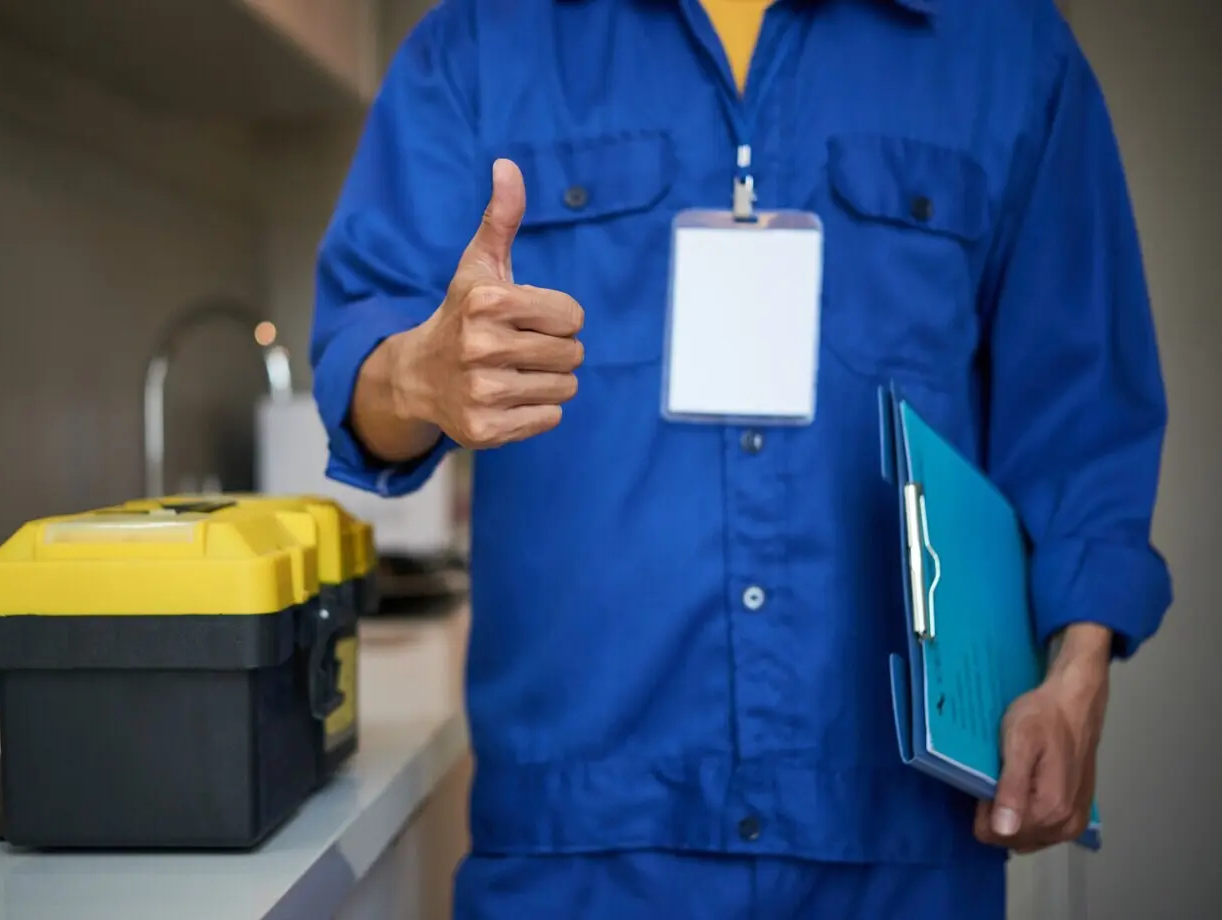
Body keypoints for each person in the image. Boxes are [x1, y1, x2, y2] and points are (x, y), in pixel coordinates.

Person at [308, 0, 1173, 916]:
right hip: (577, 847)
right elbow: (360, 346)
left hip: (904, 841)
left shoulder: (1008, 46)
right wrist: (419, 376)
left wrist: (1079, 669)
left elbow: (1082, 399)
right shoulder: (482, 39)